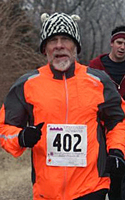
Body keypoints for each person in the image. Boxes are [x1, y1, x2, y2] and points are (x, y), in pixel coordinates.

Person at [0, 13, 125, 200]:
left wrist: (117, 151)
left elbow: (118, 120)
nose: (59, 45)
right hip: (47, 192)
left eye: (66, 39)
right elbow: (4, 129)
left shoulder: (99, 81)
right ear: (45, 49)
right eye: (52, 40)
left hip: (92, 188)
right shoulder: (27, 85)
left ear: (75, 46)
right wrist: (21, 137)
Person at [89, 25, 125, 200]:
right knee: (106, 175)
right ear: (112, 43)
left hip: (124, 130)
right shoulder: (96, 67)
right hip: (102, 130)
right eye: (119, 42)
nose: (122, 47)